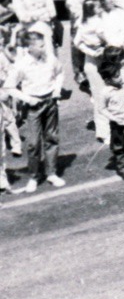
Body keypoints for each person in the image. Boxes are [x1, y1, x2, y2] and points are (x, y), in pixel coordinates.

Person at [4, 27, 65, 192]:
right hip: (33, 106)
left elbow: (59, 73)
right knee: (33, 143)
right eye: (40, 46)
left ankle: (51, 173)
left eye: (44, 45)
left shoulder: (50, 59)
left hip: (50, 101)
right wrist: (28, 99)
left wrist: (57, 90)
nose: (44, 48)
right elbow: (9, 87)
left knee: (52, 138)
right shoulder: (21, 64)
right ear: (29, 48)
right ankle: (34, 176)